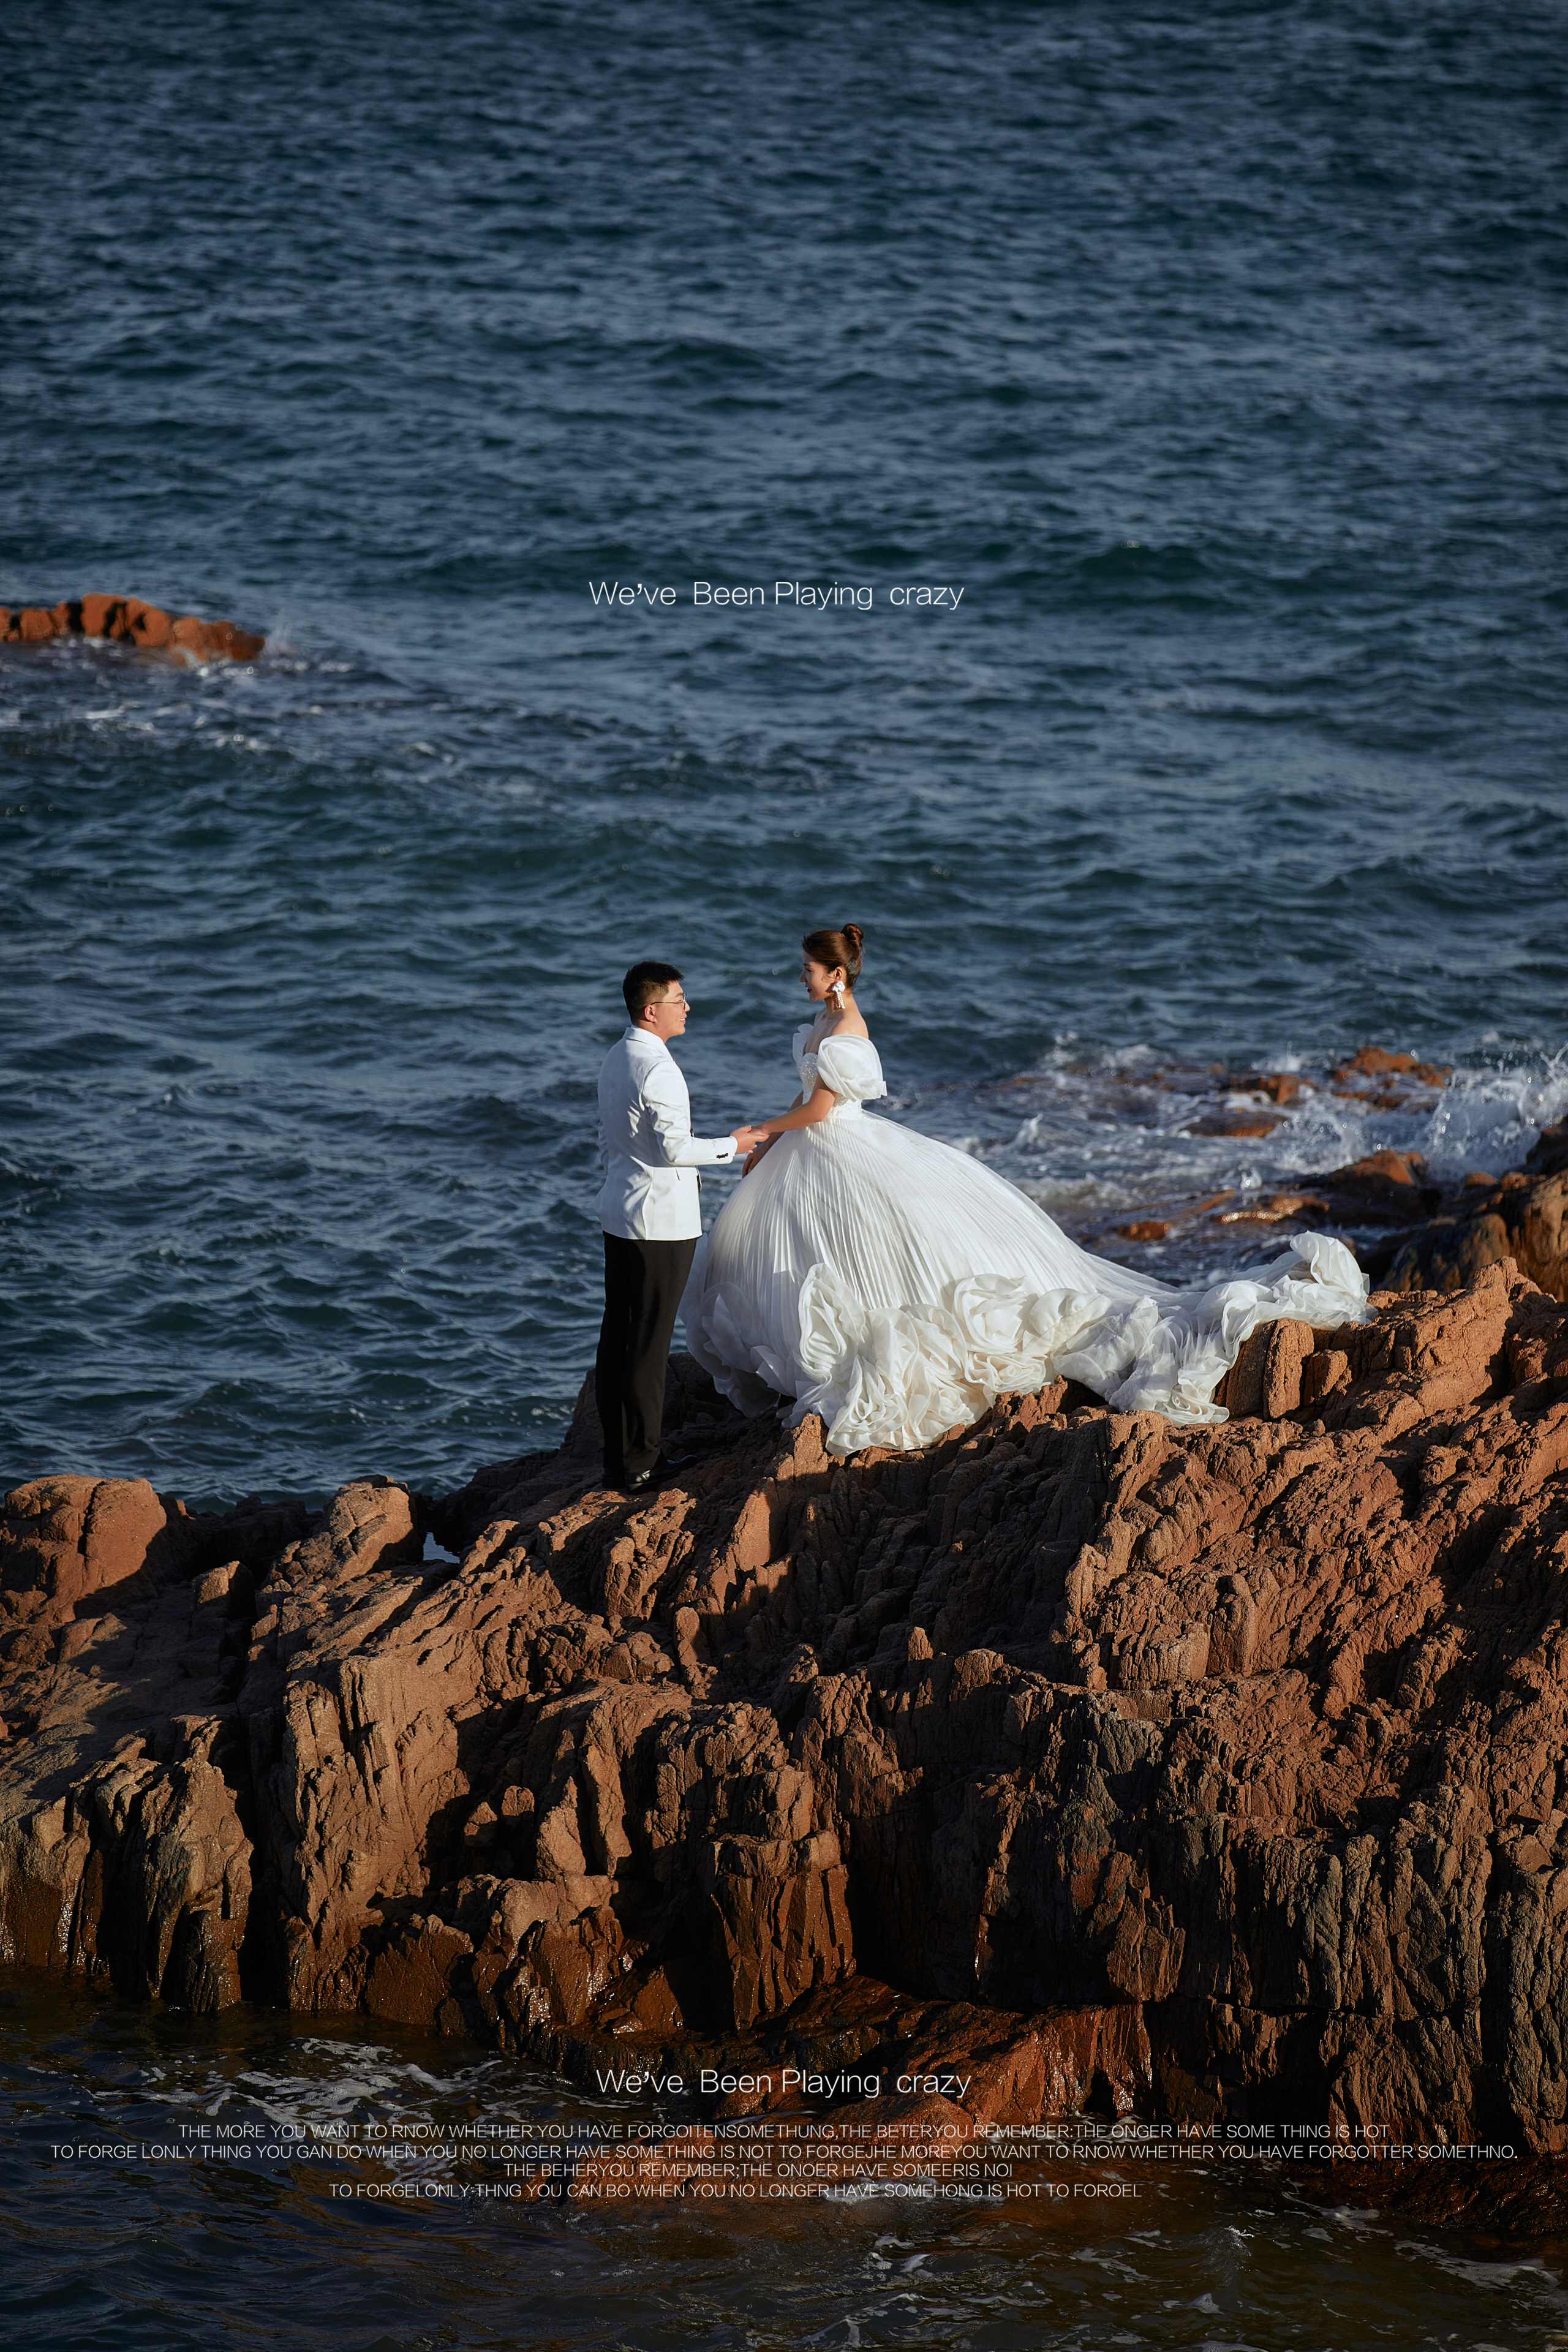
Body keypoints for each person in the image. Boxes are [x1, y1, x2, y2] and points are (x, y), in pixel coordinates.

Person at [679, 924, 1370, 1458]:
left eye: (807, 969)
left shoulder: (848, 1030)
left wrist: (759, 1133)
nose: (799, 977)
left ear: (835, 975)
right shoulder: (823, 1025)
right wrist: (768, 1144)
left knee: (875, 1254)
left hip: (840, 1145)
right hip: (813, 1150)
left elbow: (823, 1108)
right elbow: (807, 1098)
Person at [595, 962, 766, 1493]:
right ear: (652, 1011)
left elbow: (609, 1141)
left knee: (618, 1337)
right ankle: (642, 1464)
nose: (687, 1007)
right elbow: (673, 1150)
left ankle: (618, 1457)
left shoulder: (617, 1055)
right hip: (660, 1224)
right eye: (678, 999)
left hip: (620, 1212)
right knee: (648, 1344)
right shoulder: (659, 1068)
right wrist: (732, 1145)